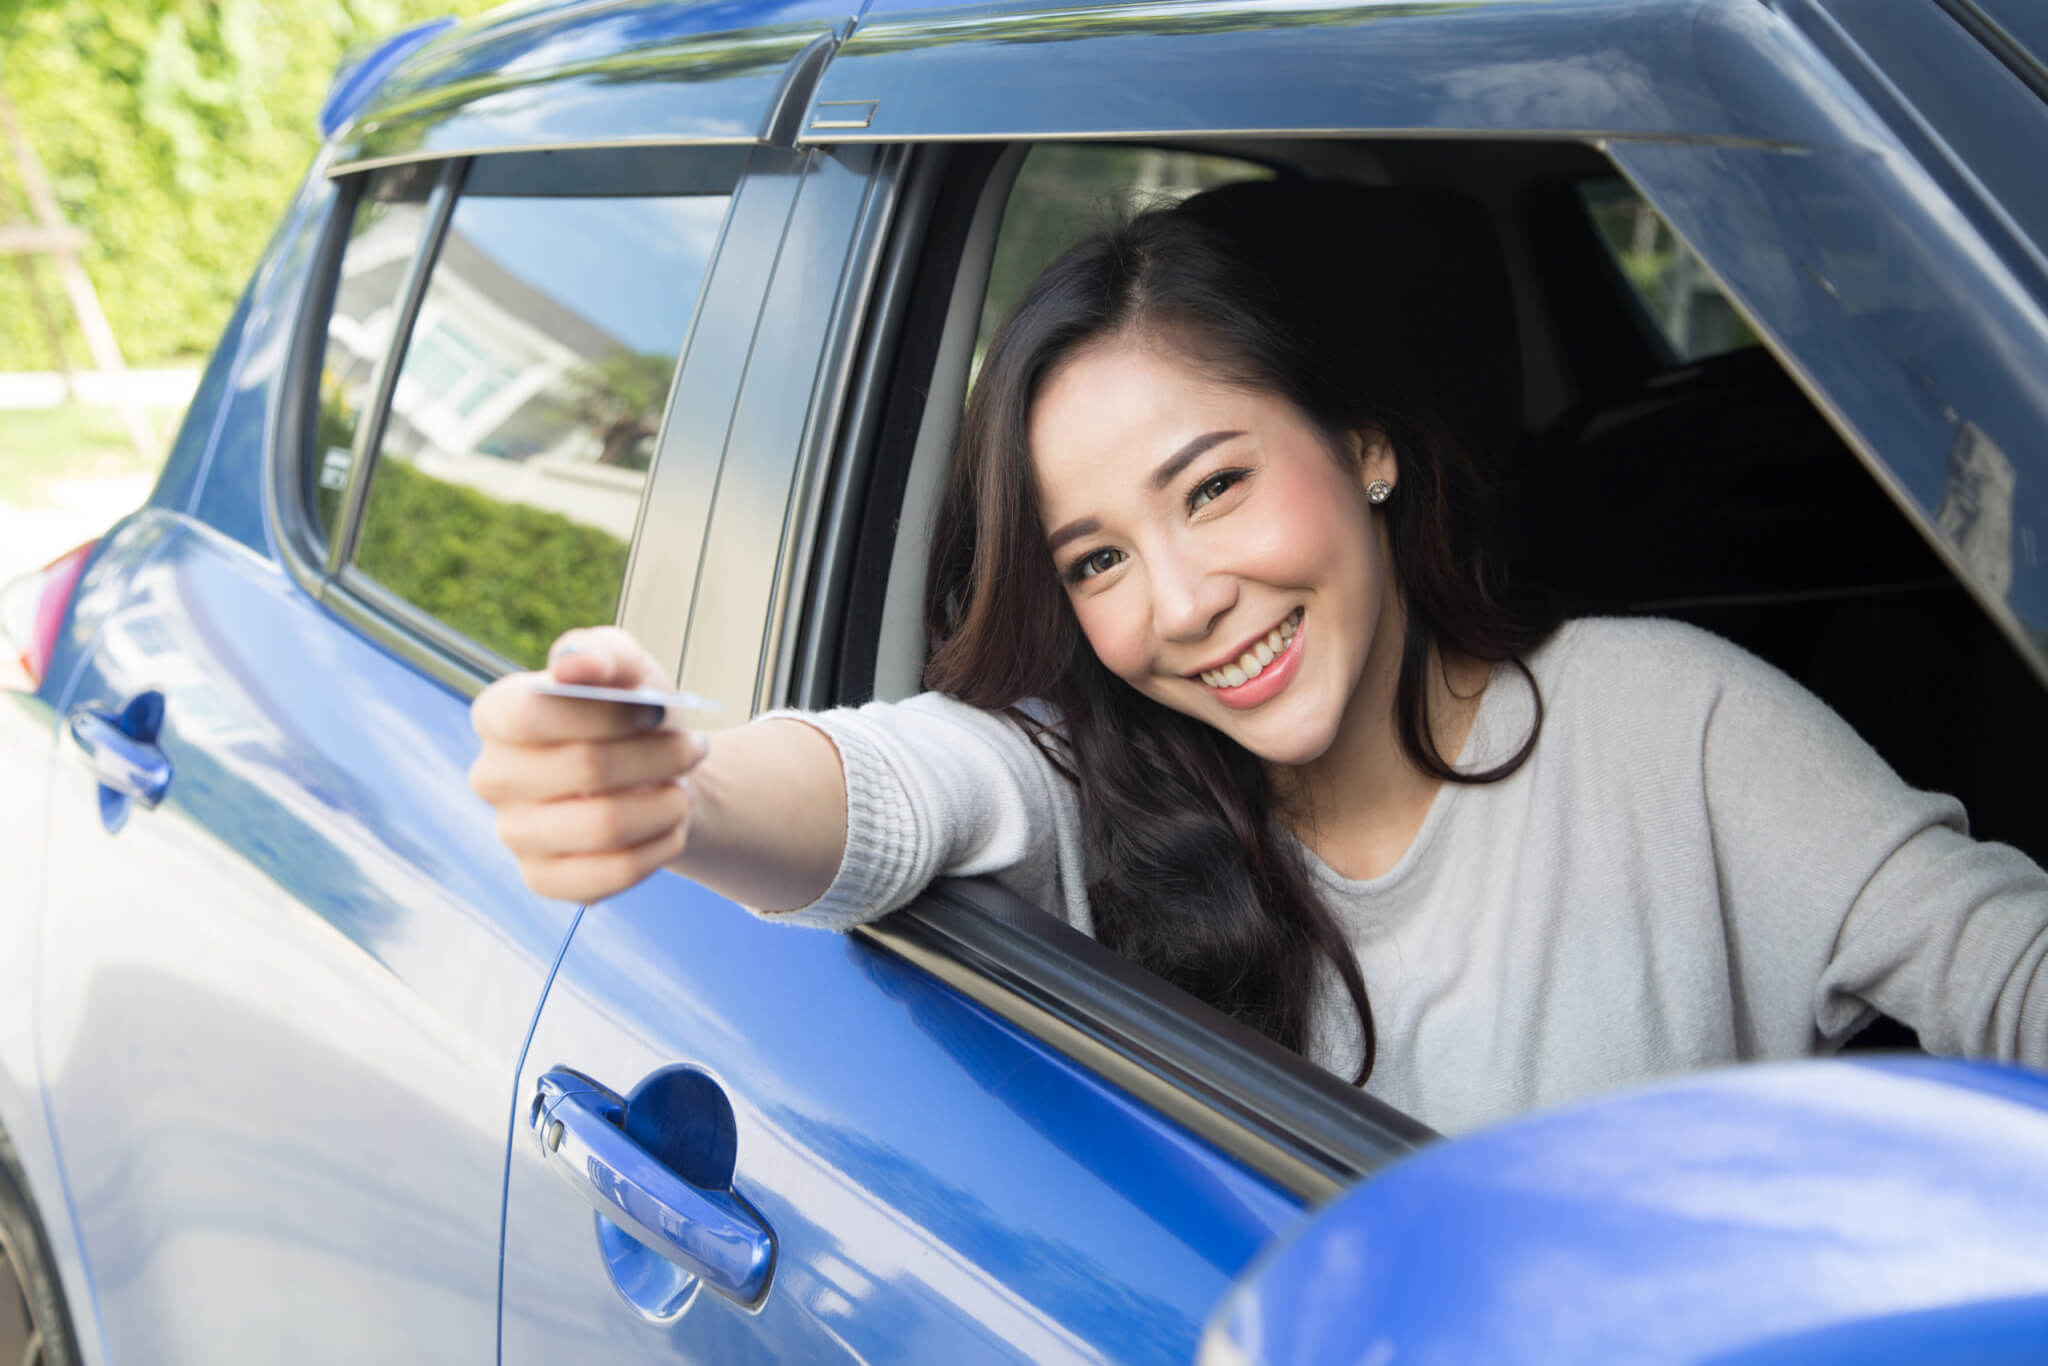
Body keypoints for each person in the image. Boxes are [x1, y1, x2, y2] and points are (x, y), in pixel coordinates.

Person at [468, 181, 2048, 1135]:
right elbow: (896, 779)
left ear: (1367, 445)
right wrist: (680, 789)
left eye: (1215, 485)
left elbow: (2007, 971)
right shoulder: (1096, 785)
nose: (1180, 602)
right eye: (1095, 557)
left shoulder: (1674, 726)